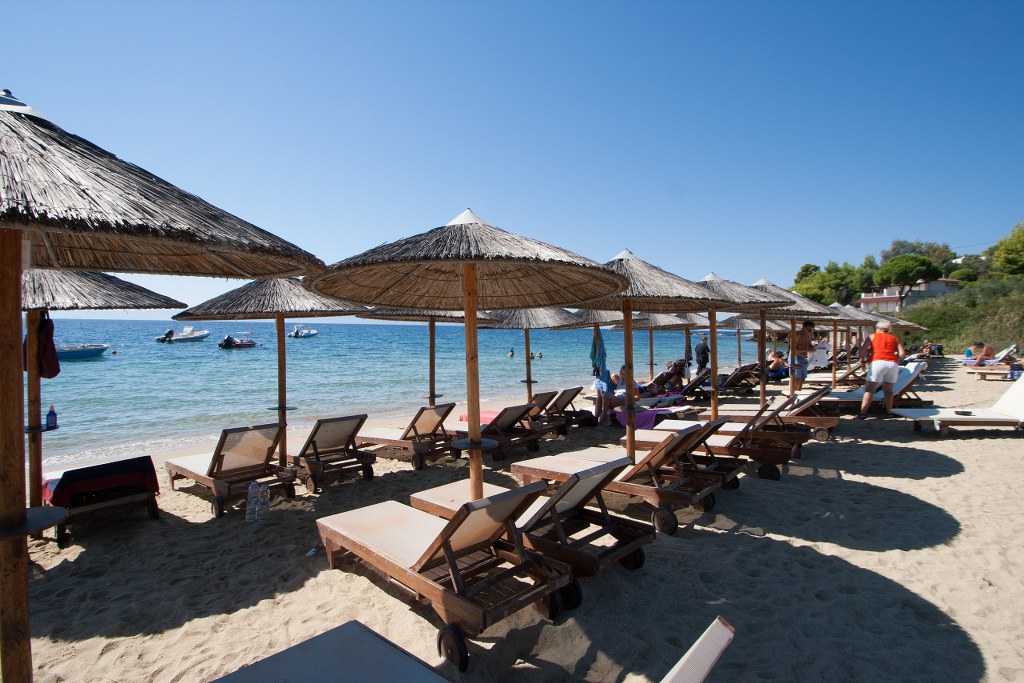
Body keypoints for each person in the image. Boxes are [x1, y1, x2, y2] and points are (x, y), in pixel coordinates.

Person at [857, 319, 906, 419]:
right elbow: (902, 354)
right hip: (892, 364)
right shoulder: (894, 338)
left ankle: (863, 413)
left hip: (877, 362)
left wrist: (862, 361)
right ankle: (889, 412)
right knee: (888, 391)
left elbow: (863, 350)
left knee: (869, 390)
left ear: (878, 328)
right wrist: (895, 358)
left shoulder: (872, 336)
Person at [790, 320, 816, 391]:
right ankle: (793, 393)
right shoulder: (797, 335)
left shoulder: (809, 335)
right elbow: (793, 350)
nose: (810, 331)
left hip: (804, 358)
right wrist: (808, 350)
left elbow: (809, 346)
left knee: (802, 379)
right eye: (809, 330)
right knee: (797, 378)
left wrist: (812, 348)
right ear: (804, 328)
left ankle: (798, 392)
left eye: (812, 330)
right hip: (796, 357)